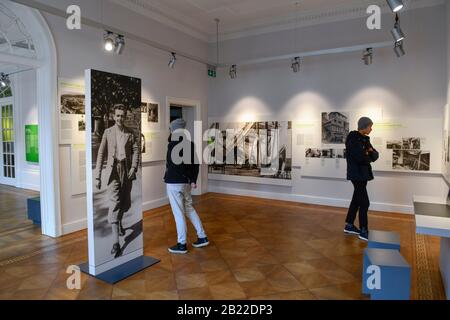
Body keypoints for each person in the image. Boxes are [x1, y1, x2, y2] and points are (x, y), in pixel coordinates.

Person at [95, 104, 139, 258]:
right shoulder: (108, 132)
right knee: (114, 203)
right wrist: (98, 176)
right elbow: (100, 154)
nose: (120, 118)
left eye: (122, 116)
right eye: (118, 115)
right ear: (114, 116)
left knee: (125, 202)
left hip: (126, 171)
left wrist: (134, 167)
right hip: (113, 172)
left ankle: (119, 222)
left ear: (125, 117)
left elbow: (135, 150)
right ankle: (116, 243)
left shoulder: (130, 133)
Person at [164, 118, 209, 254]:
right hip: (186, 184)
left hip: (174, 183)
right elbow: (195, 164)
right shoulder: (190, 144)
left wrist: (185, 177)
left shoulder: (172, 145)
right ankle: (202, 237)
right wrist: (192, 179)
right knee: (189, 208)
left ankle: (182, 244)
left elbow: (175, 166)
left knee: (178, 213)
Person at [344, 117, 379, 241]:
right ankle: (363, 230)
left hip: (363, 174)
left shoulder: (365, 139)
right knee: (365, 202)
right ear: (364, 126)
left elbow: (375, 155)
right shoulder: (353, 138)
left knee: (357, 200)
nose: (371, 129)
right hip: (356, 174)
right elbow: (360, 158)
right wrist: (367, 153)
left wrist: (368, 153)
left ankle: (349, 224)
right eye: (370, 126)